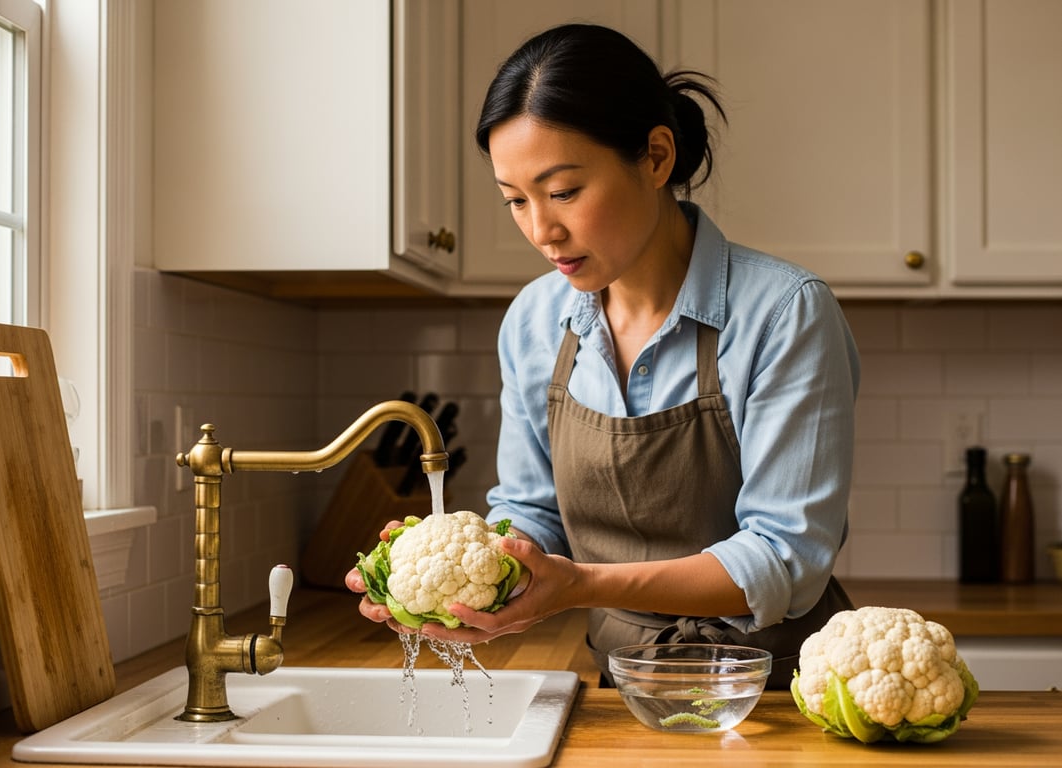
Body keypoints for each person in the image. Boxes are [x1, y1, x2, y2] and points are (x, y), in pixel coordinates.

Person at [347, 22, 859, 688]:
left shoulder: (782, 312)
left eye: (562, 192)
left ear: (654, 157)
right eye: (514, 201)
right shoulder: (535, 320)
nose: (540, 229)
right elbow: (532, 511)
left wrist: (575, 585)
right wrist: (462, 567)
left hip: (777, 687)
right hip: (623, 682)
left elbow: (785, 558)